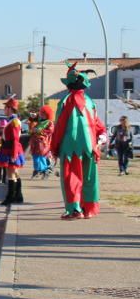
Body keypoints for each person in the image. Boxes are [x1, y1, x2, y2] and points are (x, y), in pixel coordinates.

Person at [50, 62, 105, 219]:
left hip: (70, 147)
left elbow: (59, 127)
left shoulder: (66, 102)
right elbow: (97, 124)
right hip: (90, 147)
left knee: (71, 178)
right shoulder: (89, 102)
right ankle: (88, 209)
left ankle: (75, 210)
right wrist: (100, 138)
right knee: (89, 178)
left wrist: (55, 147)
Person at [0, 96, 25, 205]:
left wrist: (13, 154)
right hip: (10, 148)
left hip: (11, 149)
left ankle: (10, 197)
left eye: (5, 107)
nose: (4, 110)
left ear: (10, 108)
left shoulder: (14, 121)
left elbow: (14, 138)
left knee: (11, 174)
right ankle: (18, 196)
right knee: (15, 173)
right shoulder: (13, 120)